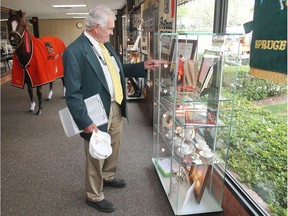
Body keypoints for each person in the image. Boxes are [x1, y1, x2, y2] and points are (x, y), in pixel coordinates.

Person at [63, 5, 163, 213]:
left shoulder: (105, 45)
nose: (111, 32)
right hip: (94, 113)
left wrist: (142, 66)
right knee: (96, 152)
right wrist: (84, 122)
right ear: (97, 27)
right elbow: (72, 93)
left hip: (115, 104)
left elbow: (117, 69)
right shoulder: (74, 51)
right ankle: (93, 194)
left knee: (114, 145)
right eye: (109, 29)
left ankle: (107, 176)